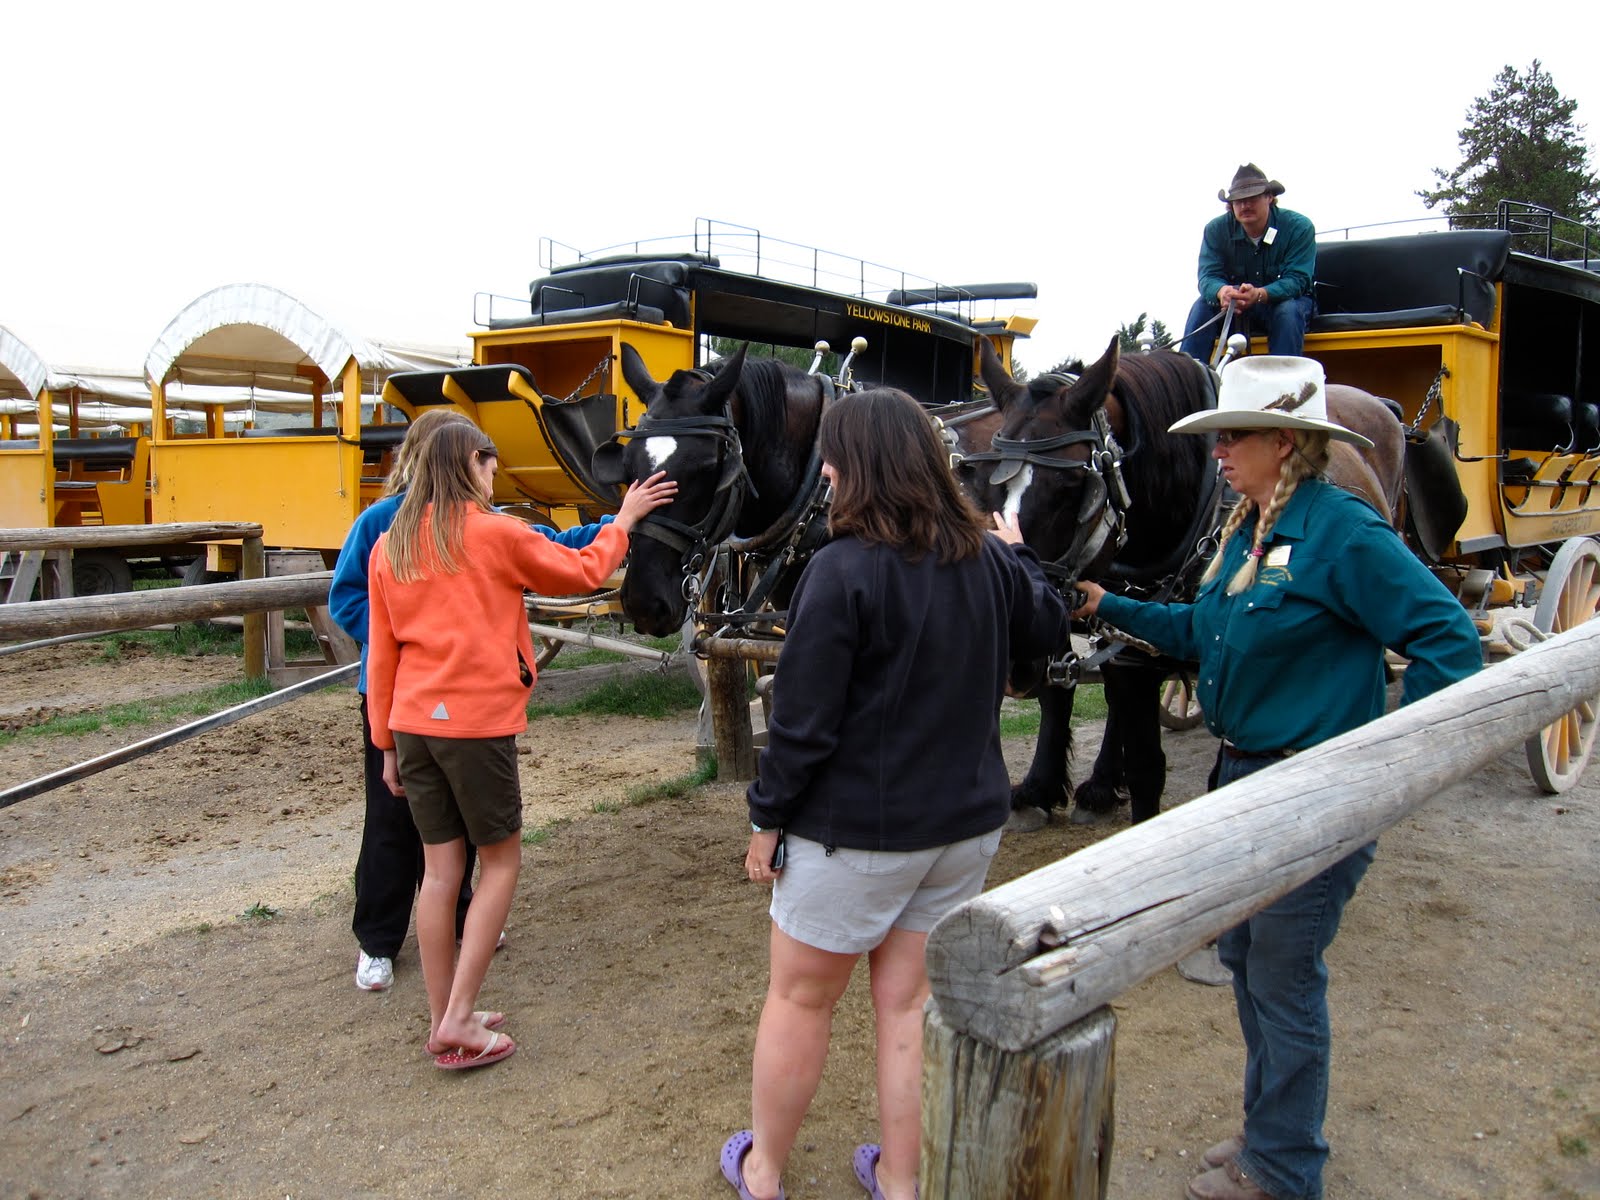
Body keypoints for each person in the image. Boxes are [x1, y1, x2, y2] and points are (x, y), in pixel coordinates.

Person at [1073, 356, 1481, 1200]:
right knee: (1249, 959)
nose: (1217, 452)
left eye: (1234, 437)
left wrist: (1387, 765)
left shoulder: (1343, 531)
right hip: (1242, 783)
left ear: (1285, 443)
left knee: (1283, 978)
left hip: (1311, 795)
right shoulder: (1252, 525)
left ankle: (1285, 1168)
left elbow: (1449, 639)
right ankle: (1270, 1130)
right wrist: (1106, 604)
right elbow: (1202, 628)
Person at [719, 389, 1070, 1200]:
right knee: (908, 1006)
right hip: (962, 831)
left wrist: (767, 817)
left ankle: (764, 1173)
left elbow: (801, 725)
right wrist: (1019, 554)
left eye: (833, 457)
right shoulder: (987, 560)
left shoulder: (840, 570)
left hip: (857, 835)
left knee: (801, 999)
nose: (825, 471)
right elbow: (1049, 628)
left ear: (864, 465)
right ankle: (902, 1182)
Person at [365, 421, 674, 1069]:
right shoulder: (496, 534)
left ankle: (445, 1016)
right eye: (491, 462)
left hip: (414, 724)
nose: (494, 474)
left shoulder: (392, 546)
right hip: (475, 727)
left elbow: (382, 653)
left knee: (441, 874)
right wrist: (624, 519)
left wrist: (385, 744)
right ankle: (457, 1018)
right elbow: (583, 570)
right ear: (472, 463)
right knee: (500, 864)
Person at [329, 409, 616, 993]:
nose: (493, 474)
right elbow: (350, 602)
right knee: (394, 828)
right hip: (414, 699)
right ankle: (378, 940)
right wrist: (427, 640)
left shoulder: (476, 526)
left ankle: (461, 930)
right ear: (460, 460)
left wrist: (614, 521)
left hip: (413, 708)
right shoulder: (383, 524)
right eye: (488, 461)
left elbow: (553, 546)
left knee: (451, 841)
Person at [1181, 164, 1317, 362]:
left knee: (1288, 310)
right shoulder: (1215, 230)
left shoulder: (1299, 227)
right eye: (1239, 201)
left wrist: (1260, 294)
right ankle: (1187, 374)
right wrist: (1222, 292)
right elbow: (1208, 276)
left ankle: (1284, 377)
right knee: (1202, 306)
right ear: (1231, 205)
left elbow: (1298, 280)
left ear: (1269, 197)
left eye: (1253, 198)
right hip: (1234, 308)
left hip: (1284, 304)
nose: (1245, 205)